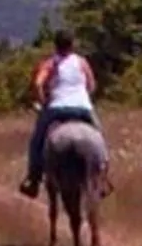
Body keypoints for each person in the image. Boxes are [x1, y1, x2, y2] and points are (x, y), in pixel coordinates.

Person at [19, 30, 112, 199]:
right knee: (99, 135)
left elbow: (38, 83)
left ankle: (33, 178)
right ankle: (103, 177)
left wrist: (43, 101)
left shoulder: (50, 63)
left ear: (56, 45)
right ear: (72, 44)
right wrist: (84, 98)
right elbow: (92, 85)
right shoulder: (82, 62)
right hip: (82, 107)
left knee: (37, 139)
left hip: (56, 108)